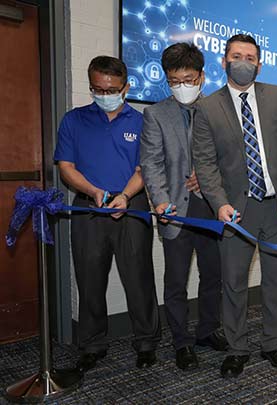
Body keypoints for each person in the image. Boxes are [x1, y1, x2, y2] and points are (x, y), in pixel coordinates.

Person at [192, 34, 277, 378]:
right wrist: (219, 204)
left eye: (250, 56)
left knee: (276, 281)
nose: (243, 61)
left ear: (260, 63)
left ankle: (273, 343)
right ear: (224, 61)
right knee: (234, 282)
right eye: (236, 55)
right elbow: (205, 163)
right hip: (236, 211)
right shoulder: (207, 107)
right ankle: (237, 347)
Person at [54, 56, 160, 371]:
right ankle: (92, 344)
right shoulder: (73, 121)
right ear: (91, 86)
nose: (105, 94)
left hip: (132, 206)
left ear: (126, 87)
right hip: (88, 208)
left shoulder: (142, 122)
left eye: (112, 88)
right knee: (89, 278)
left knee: (139, 278)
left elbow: (145, 169)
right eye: (98, 88)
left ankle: (146, 343)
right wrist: (95, 192)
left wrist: (125, 195)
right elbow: (66, 167)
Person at [139, 42, 227, 371]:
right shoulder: (155, 114)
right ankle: (181, 341)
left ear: (202, 77)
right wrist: (160, 200)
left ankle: (207, 330)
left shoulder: (218, 111)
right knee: (176, 280)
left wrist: (208, 180)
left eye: (188, 80)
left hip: (210, 208)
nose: (181, 87)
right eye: (174, 81)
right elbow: (151, 164)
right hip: (174, 209)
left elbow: (230, 161)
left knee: (212, 276)